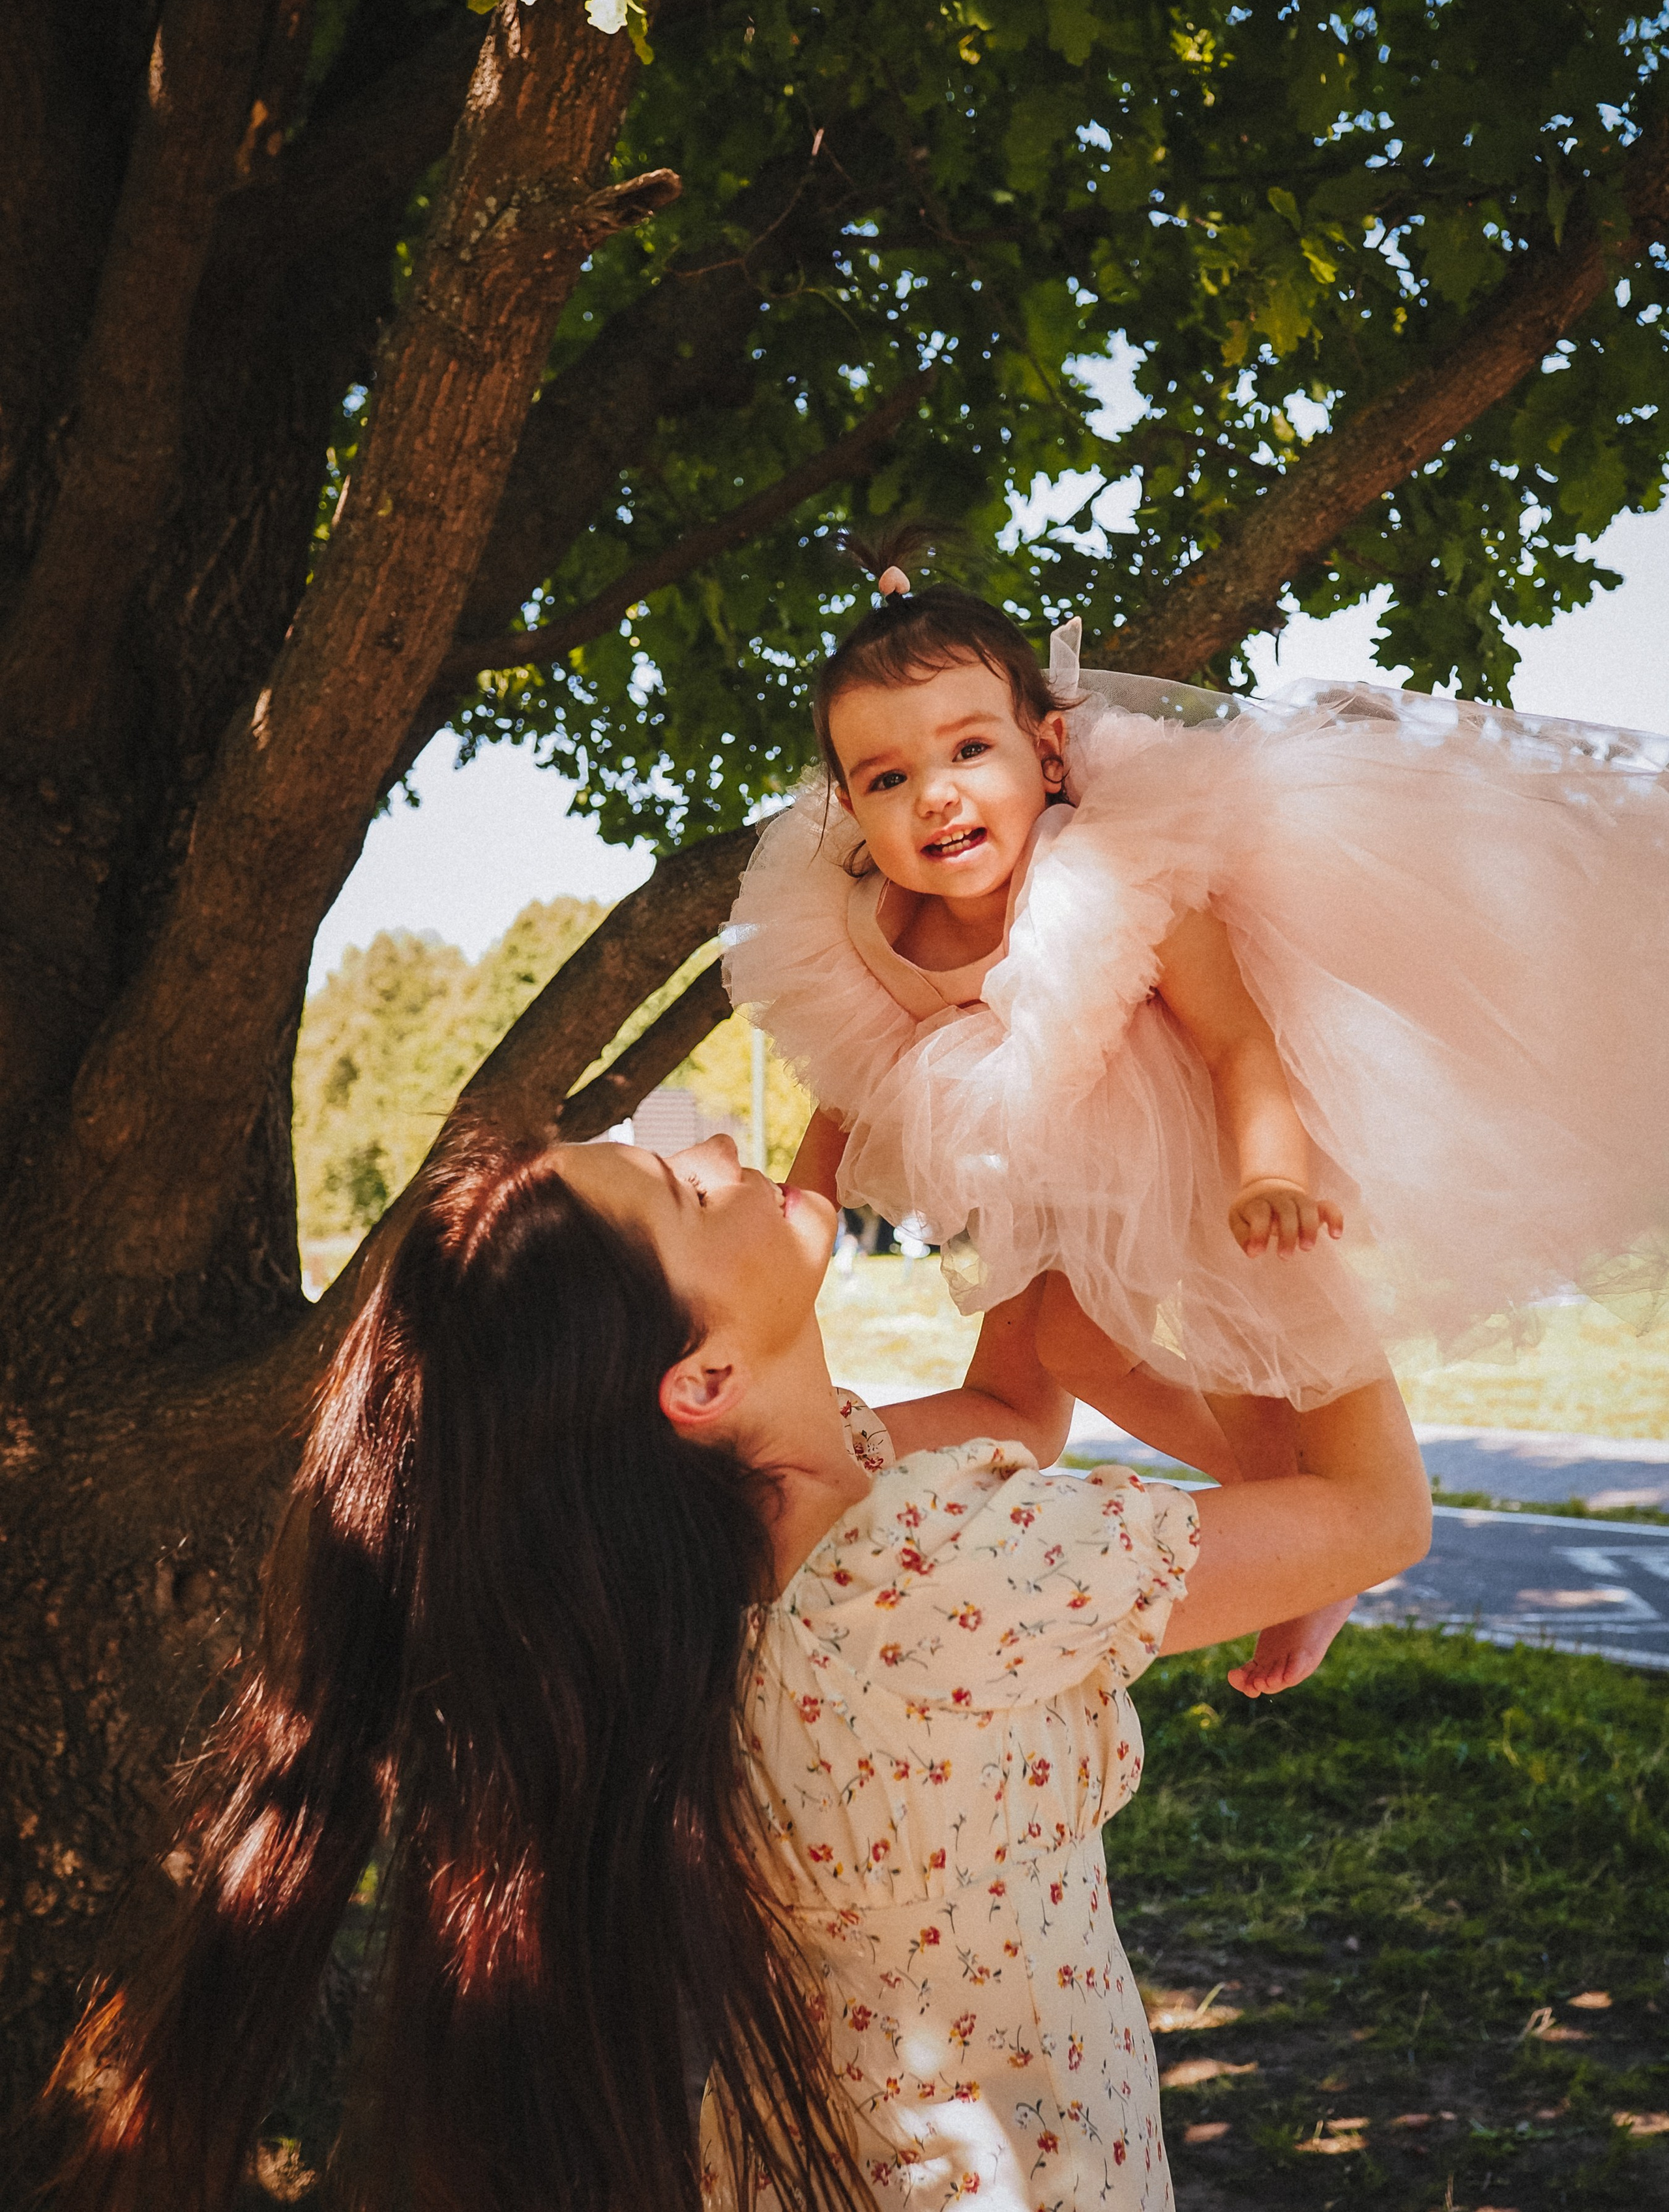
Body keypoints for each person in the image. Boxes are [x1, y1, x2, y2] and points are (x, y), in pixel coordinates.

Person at [45, 1126, 1429, 2212]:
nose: (724, 1152)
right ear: (699, 1384)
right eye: (688, 1189)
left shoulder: (730, 1572)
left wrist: (910, 1074)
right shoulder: (935, 1572)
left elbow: (1026, 1383)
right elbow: (1378, 1519)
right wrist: (1272, 1206)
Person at [725, 528, 1669, 1694]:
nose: (937, 795)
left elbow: (1235, 1042)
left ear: (1051, 750)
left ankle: (1313, 1547)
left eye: (969, 747)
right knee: (1064, 1350)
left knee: (1266, 1349)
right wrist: (781, 1251)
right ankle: (1289, 1538)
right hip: (1070, 1169)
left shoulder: (1124, 867)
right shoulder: (868, 932)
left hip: (1222, 1160)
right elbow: (842, 1104)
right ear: (851, 810)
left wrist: (1271, 1173)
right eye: (886, 779)